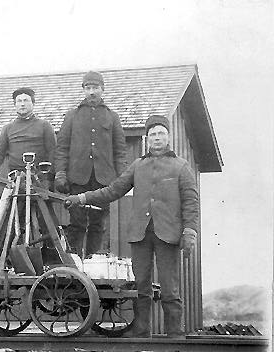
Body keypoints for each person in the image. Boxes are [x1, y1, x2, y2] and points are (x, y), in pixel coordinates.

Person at [64, 115, 199, 337]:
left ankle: (175, 334)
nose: (157, 138)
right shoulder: (138, 166)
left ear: (168, 137)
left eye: (161, 134)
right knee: (141, 285)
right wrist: (81, 198)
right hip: (140, 235)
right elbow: (113, 190)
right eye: (153, 134)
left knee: (169, 286)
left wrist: (190, 231)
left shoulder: (181, 167)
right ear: (147, 139)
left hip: (169, 234)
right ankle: (141, 331)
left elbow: (191, 202)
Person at [55, 71, 128, 257]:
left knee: (98, 224)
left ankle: (93, 263)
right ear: (83, 90)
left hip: (103, 181)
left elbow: (120, 151)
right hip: (78, 179)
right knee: (77, 223)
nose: (92, 92)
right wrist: (61, 174)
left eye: (95, 88)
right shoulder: (72, 116)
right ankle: (75, 263)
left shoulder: (113, 117)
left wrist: (123, 179)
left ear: (102, 89)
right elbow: (62, 148)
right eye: (88, 88)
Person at [0, 87, 56, 175]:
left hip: (40, 176)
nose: (22, 104)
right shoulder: (8, 128)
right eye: (19, 101)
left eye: (26, 100)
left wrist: (53, 174)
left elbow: (53, 151)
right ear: (15, 105)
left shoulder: (44, 125)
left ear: (33, 103)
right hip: (16, 177)